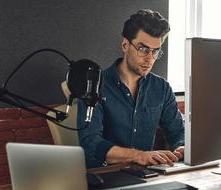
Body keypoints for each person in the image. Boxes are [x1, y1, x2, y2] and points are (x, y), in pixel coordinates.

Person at [77, 9, 184, 168]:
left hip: (146, 177)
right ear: (125, 45)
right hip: (103, 177)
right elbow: (90, 142)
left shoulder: (162, 88)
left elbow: (178, 133)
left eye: (155, 51)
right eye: (143, 49)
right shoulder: (94, 86)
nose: (150, 58)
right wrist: (138, 156)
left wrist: (182, 147)